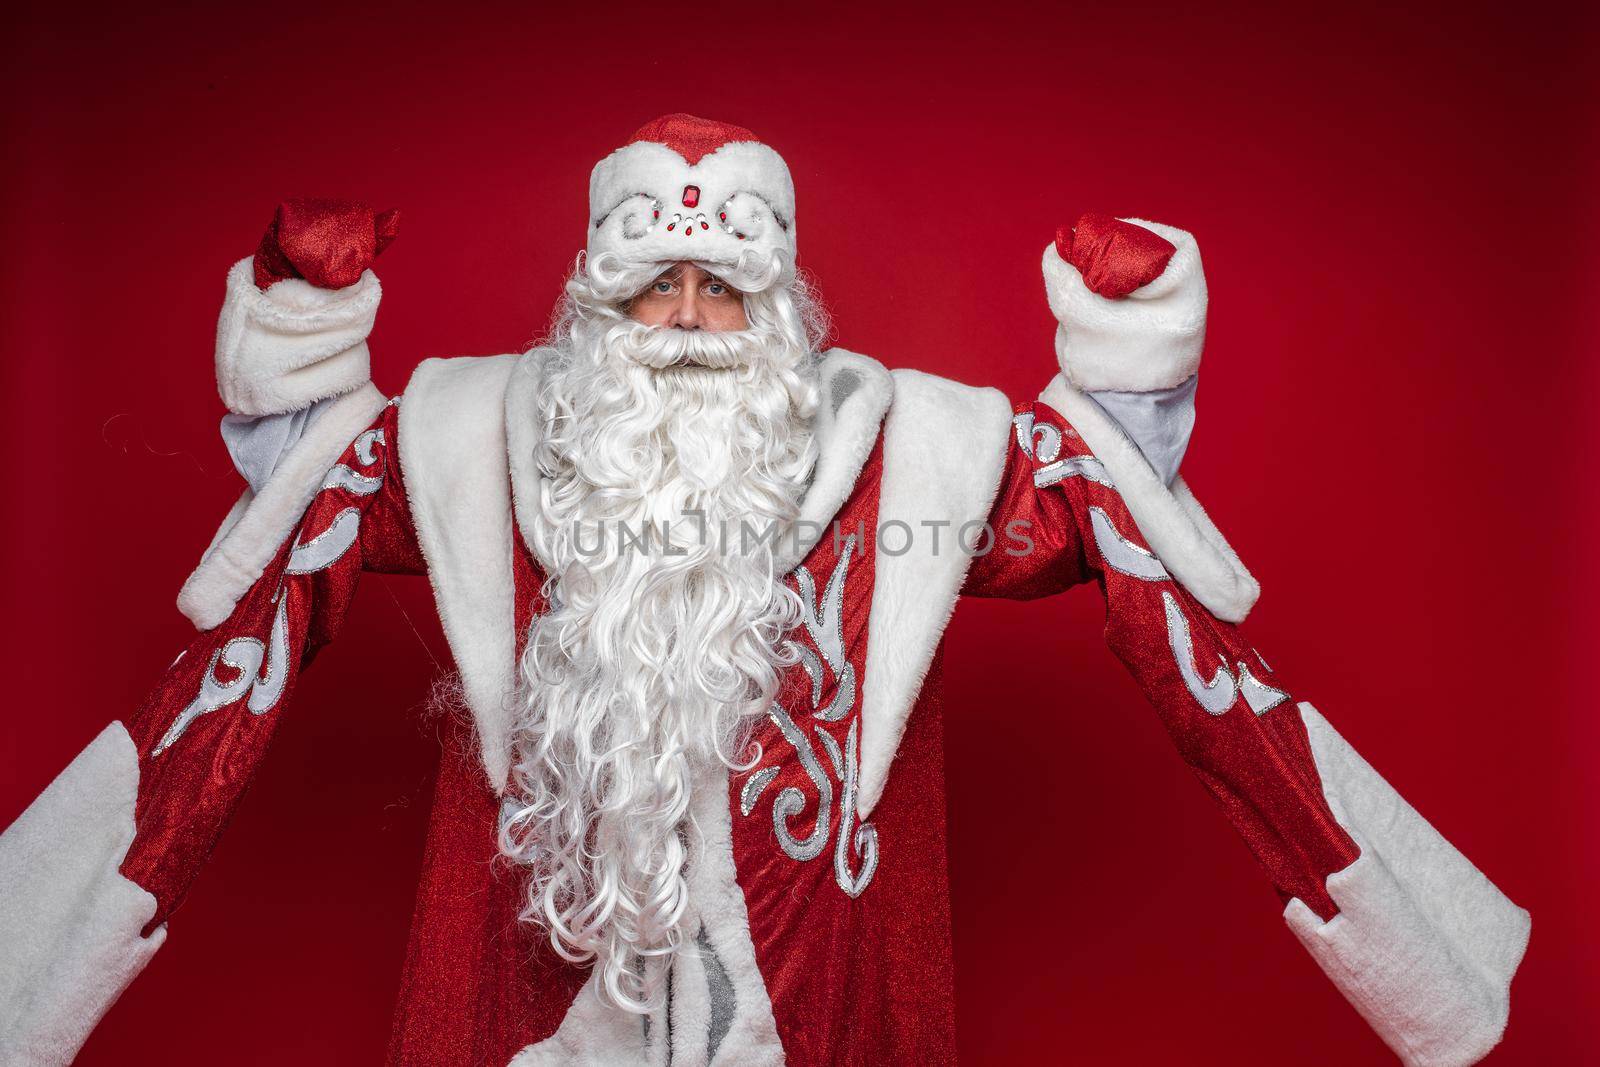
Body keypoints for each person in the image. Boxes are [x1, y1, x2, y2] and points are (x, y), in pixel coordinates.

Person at [0, 114, 1529, 1066]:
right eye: (653, 285)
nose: (684, 312)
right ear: (597, 302)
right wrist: (301, 333)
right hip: (543, 978)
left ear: (778, 300)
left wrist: (1131, 354)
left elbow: (1092, 516)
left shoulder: (910, 453)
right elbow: (290, 524)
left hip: (822, 984)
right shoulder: (477, 438)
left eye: (721, 287)